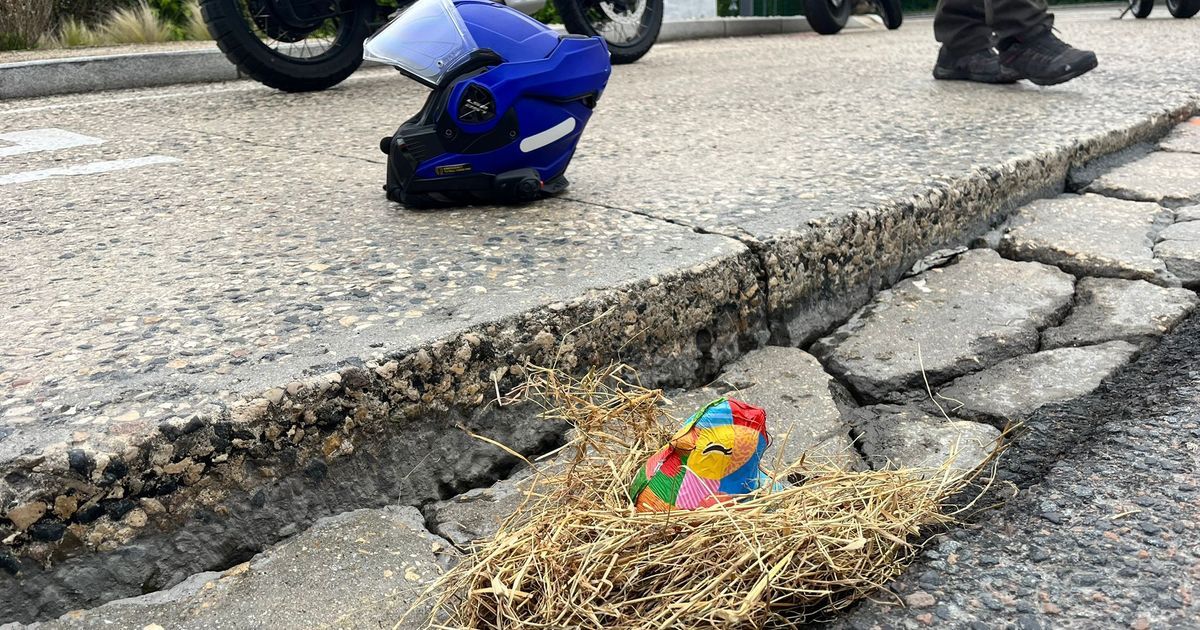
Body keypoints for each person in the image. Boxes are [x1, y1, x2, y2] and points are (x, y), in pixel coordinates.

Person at [931, 0, 1098, 86]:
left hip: (962, 43)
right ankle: (1022, 33)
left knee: (963, 39)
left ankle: (962, 38)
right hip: (1021, 32)